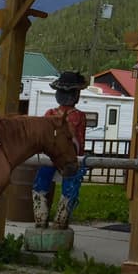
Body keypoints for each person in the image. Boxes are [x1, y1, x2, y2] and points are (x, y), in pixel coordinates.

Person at [32, 71, 89, 229]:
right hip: (70, 156)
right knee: (70, 185)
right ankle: (60, 220)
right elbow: (80, 141)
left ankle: (40, 217)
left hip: (49, 155)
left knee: (40, 184)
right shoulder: (78, 116)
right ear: (75, 95)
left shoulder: (50, 114)